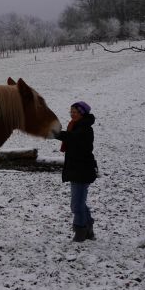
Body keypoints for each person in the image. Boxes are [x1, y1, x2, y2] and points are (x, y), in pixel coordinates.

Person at [54, 101, 98, 242]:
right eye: (71, 111)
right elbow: (70, 136)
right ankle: (88, 227)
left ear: (82, 113)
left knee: (76, 205)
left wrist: (54, 133)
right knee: (80, 202)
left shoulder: (85, 128)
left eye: (75, 112)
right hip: (76, 169)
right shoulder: (76, 126)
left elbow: (72, 138)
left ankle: (80, 231)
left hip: (82, 170)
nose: (72, 114)